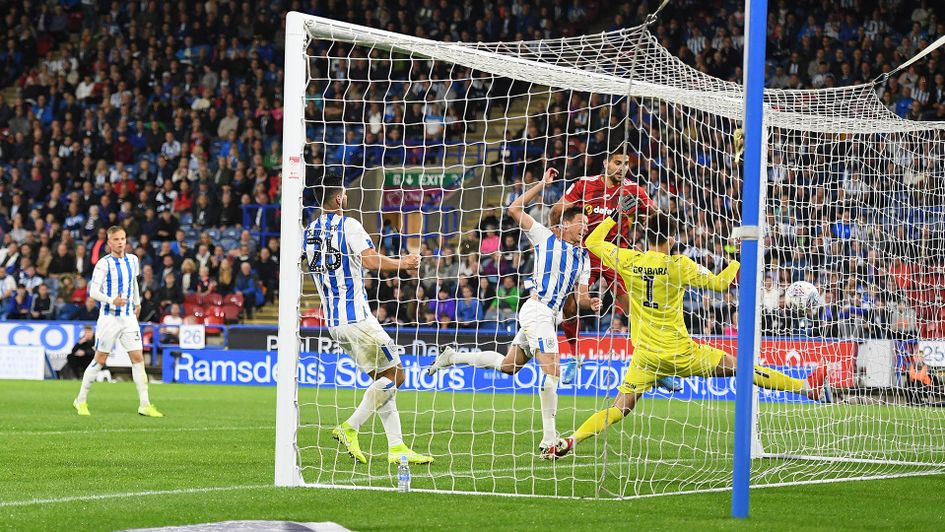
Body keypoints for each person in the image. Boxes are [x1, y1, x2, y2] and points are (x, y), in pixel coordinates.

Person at [548, 206, 830, 459]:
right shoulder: (679, 265)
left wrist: (615, 216)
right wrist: (736, 255)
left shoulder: (629, 260)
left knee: (618, 408)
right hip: (681, 353)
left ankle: (570, 439)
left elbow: (593, 242)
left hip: (645, 357)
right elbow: (721, 284)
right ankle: (806, 388)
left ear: (647, 237)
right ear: (671, 239)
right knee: (743, 368)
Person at [427, 168, 601, 459]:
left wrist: (591, 303)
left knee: (510, 367)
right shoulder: (545, 237)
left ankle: (452, 357)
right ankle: (549, 440)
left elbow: (580, 297)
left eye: (587, 225)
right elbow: (513, 208)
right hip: (536, 311)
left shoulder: (583, 258)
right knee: (553, 371)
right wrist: (542, 185)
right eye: (581, 223)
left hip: (550, 316)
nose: (585, 228)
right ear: (565, 224)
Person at [305, 176, 432, 465]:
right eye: (345, 194)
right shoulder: (348, 225)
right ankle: (350, 427)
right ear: (339, 199)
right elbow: (371, 261)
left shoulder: (308, 232)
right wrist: (405, 263)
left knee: (382, 379)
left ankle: (397, 447)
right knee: (397, 375)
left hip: (334, 323)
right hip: (357, 317)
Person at [549, 144, 680, 393]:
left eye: (626, 164)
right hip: (585, 253)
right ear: (606, 164)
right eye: (617, 162)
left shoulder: (633, 190)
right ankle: (576, 357)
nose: (622, 168)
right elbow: (556, 211)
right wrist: (557, 236)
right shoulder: (584, 184)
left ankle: (654, 366)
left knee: (634, 309)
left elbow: (655, 217)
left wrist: (649, 221)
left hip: (616, 254)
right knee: (570, 304)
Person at [73, 226, 163, 418]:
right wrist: (111, 300)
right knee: (100, 359)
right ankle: (80, 400)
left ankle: (145, 404)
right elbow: (93, 292)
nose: (120, 242)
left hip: (128, 316)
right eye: (116, 239)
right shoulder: (103, 264)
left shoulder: (133, 260)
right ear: (109, 243)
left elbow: (133, 284)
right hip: (109, 317)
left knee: (138, 359)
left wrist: (137, 303)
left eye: (123, 239)